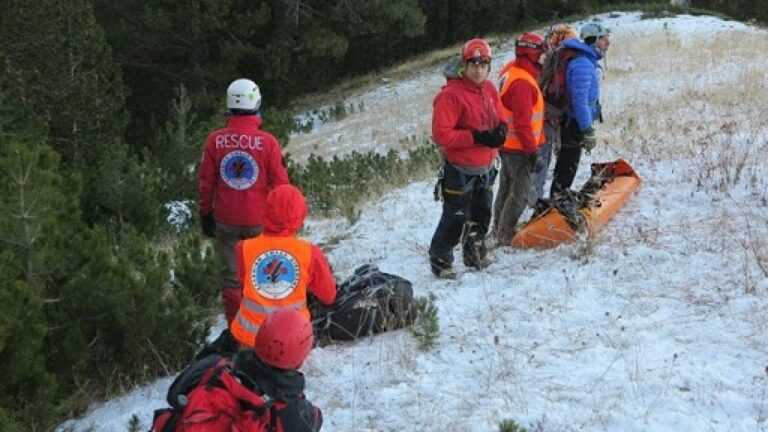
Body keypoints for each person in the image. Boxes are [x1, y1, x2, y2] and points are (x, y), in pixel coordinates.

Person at [198, 78, 290, 324]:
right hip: (259, 221)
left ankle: (237, 331)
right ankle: (267, 326)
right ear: (256, 102)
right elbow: (282, 185)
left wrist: (205, 214)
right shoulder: (268, 142)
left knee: (231, 280)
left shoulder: (214, 140)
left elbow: (206, 182)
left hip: (225, 219)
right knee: (264, 274)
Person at [150, 309, 324, 432]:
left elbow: (174, 395)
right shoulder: (290, 411)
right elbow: (317, 419)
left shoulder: (215, 365)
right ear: (300, 358)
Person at [429, 37, 506, 279]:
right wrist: (477, 137)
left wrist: (502, 128)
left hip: (486, 166)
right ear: (464, 65)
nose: (478, 69)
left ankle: (475, 254)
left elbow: (500, 115)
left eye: (483, 64)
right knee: (455, 217)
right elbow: (442, 135)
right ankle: (441, 261)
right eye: (473, 64)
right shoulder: (450, 95)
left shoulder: (490, 89)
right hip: (460, 169)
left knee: (482, 214)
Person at [230, 184, 336, 348]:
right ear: (300, 216)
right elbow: (329, 296)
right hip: (292, 341)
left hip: (249, 337)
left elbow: (246, 285)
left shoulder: (243, 248)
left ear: (265, 211)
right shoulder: (309, 252)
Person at [493, 32, 547, 244]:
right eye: (541, 52)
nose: (544, 56)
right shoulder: (522, 84)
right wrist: (532, 152)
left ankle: (497, 230)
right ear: (531, 53)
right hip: (520, 149)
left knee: (505, 190)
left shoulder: (511, 70)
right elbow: (523, 123)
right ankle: (505, 235)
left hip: (508, 145)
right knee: (520, 194)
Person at [549, 22, 611, 199]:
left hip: (574, 123)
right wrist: (587, 129)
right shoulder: (582, 64)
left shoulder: (586, 60)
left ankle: (559, 198)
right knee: (567, 165)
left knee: (568, 164)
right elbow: (580, 101)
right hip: (574, 124)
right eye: (604, 39)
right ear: (594, 40)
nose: (607, 43)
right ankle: (557, 202)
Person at [529, 24, 578, 205]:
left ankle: (535, 199)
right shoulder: (560, 61)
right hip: (548, 119)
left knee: (543, 161)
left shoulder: (549, 60)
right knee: (541, 162)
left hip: (546, 117)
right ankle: (533, 202)